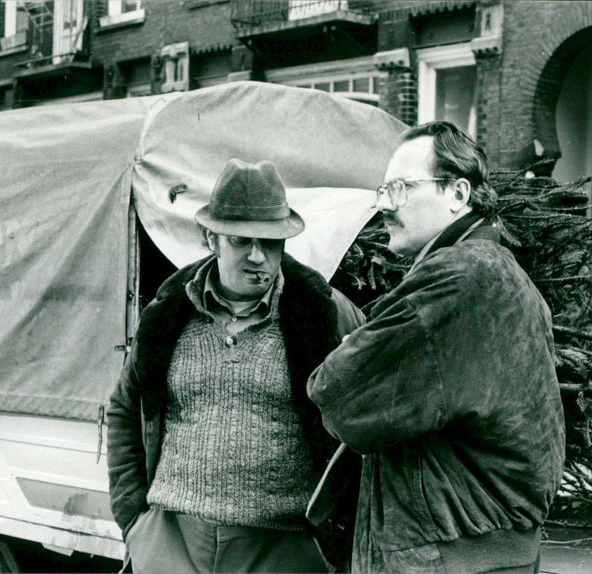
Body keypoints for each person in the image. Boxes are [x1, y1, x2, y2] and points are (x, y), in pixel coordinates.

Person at [307, 121, 566, 574]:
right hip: (480, 550)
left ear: (458, 193)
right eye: (385, 189)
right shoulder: (495, 271)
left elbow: (339, 394)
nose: (385, 204)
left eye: (402, 188)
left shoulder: (457, 280)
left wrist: (355, 347)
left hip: (448, 555)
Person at [107, 158, 364, 573]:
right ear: (211, 238)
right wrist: (133, 519)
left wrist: (333, 536)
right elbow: (124, 406)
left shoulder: (325, 314)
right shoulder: (167, 314)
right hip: (170, 541)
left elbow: (364, 423)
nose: (258, 257)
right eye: (241, 241)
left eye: (271, 242)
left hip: (284, 549)